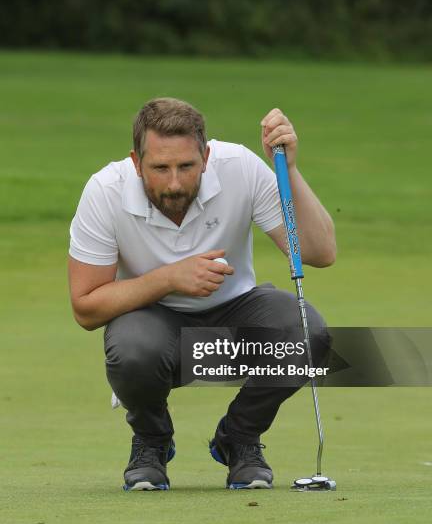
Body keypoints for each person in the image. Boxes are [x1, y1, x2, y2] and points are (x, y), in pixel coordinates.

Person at [68, 97, 336, 491]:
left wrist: (290, 171)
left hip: (237, 320)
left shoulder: (240, 168)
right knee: (132, 346)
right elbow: (86, 308)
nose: (174, 182)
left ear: (206, 157)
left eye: (186, 166)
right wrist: (169, 279)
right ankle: (151, 442)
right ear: (136, 161)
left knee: (307, 332)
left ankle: (239, 438)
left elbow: (319, 253)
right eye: (160, 168)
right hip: (153, 327)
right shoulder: (105, 191)